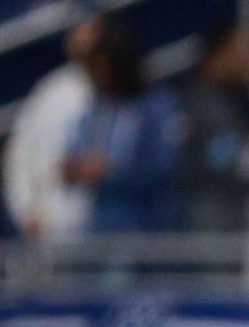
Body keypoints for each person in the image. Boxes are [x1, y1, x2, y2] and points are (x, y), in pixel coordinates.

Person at [65, 21, 184, 234]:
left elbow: (165, 166)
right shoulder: (95, 108)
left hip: (146, 223)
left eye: (100, 67)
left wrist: (111, 172)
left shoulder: (155, 105)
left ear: (117, 64)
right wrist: (74, 169)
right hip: (103, 226)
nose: (95, 75)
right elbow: (76, 153)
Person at [4, 15, 100, 240]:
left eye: (92, 35)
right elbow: (20, 155)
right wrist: (25, 209)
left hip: (107, 233)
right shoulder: (52, 93)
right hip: (52, 230)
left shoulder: (124, 94)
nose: (84, 44)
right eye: (79, 36)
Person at [179, 22, 249, 234]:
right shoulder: (202, 102)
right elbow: (223, 160)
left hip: (237, 212)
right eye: (243, 50)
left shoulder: (244, 98)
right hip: (206, 213)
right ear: (220, 53)